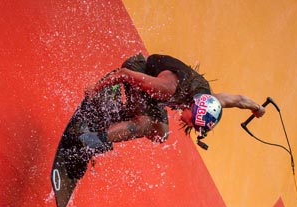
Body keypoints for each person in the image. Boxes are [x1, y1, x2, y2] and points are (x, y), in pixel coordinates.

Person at [68, 54, 266, 175]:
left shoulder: (207, 98)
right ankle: (89, 142)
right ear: (194, 108)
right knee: (145, 124)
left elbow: (239, 100)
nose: (192, 127)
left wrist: (257, 108)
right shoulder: (167, 88)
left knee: (160, 134)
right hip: (138, 71)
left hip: (154, 96)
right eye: (194, 123)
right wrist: (96, 88)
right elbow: (125, 74)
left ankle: (111, 116)